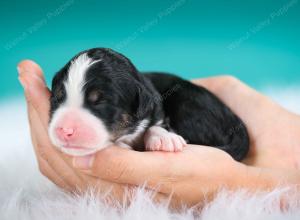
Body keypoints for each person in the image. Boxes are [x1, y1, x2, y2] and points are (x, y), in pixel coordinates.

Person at [17, 60, 300, 208]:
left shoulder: (148, 103)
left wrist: (248, 181)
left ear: (137, 105)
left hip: (209, 124)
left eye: (99, 102)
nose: (66, 126)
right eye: (60, 100)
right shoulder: (131, 95)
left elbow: (155, 117)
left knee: (179, 113)